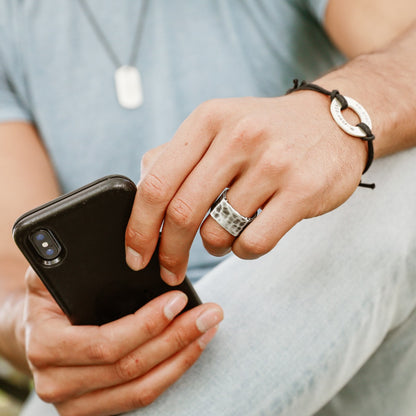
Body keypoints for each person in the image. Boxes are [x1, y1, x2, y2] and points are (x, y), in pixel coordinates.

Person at [0, 0, 415, 415]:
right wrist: (34, 329)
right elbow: (12, 280)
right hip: (128, 366)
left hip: (333, 314)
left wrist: (340, 117)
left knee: (400, 168)